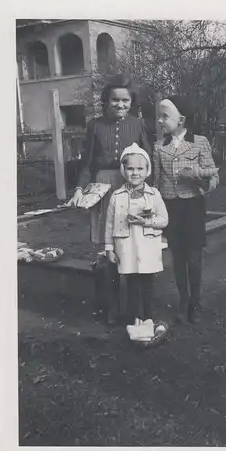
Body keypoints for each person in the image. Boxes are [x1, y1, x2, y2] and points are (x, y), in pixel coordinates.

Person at [69, 73, 152, 324]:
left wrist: (149, 194)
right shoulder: (95, 125)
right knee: (107, 249)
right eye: (115, 100)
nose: (120, 105)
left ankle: (133, 309)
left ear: (131, 102)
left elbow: (148, 162)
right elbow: (87, 162)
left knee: (130, 243)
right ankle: (111, 307)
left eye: (125, 101)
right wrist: (79, 189)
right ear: (106, 101)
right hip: (104, 188)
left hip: (131, 187)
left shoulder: (138, 124)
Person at [153, 96, 219, 325]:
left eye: (165, 116)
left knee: (194, 258)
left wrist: (199, 177)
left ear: (181, 119)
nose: (160, 121)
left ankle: (195, 303)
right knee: (178, 258)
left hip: (192, 206)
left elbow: (214, 176)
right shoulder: (159, 146)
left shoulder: (199, 142)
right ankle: (183, 301)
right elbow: (156, 183)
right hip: (170, 206)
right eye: (159, 116)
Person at [105, 143, 168, 325]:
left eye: (140, 168)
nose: (135, 173)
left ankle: (148, 317)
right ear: (123, 170)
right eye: (130, 168)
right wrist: (109, 248)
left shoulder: (153, 194)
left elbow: (164, 219)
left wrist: (146, 222)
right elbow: (109, 225)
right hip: (127, 245)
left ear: (147, 170)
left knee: (147, 283)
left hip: (147, 245)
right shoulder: (116, 196)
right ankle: (134, 318)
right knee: (131, 282)